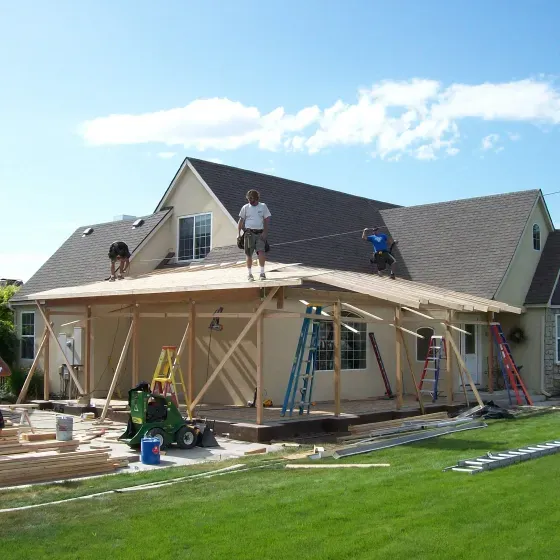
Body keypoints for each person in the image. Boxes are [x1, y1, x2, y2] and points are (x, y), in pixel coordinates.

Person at [237, 189, 271, 281]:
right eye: (248, 199)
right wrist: (239, 233)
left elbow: (267, 219)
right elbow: (241, 221)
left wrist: (265, 232)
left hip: (260, 233)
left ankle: (262, 273)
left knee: (261, 251)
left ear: (256, 198)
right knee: (248, 253)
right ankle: (249, 274)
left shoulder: (263, 206)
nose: (250, 201)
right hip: (249, 233)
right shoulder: (245, 207)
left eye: (251, 199)